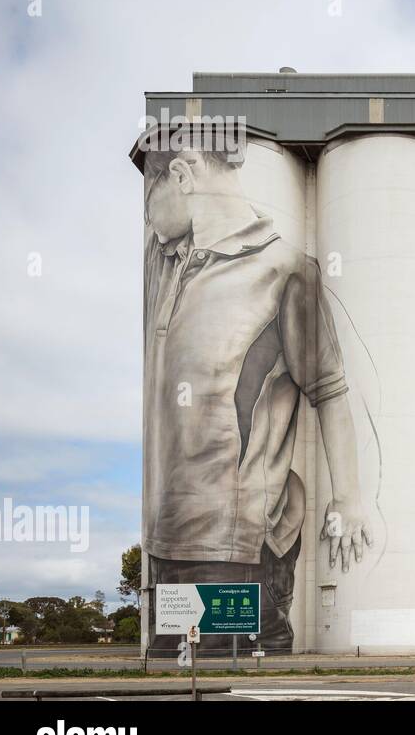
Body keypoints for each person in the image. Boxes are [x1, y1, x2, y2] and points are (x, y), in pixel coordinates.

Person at [142, 138, 369, 655]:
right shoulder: (171, 262)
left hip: (232, 545)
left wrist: (348, 498)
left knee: (227, 681)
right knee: (175, 682)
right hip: (166, 540)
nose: (149, 226)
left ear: (181, 176)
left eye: (147, 203)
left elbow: (329, 392)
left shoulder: (285, 270)